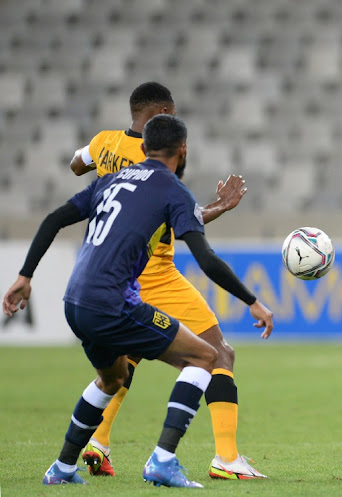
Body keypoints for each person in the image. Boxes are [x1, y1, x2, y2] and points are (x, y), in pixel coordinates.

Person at [3, 114, 274, 487]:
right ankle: (164, 459)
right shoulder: (173, 191)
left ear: (143, 148)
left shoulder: (108, 180)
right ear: (183, 151)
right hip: (113, 302)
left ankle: (63, 468)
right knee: (205, 356)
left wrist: (24, 276)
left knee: (113, 378)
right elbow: (206, 259)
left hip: (75, 300)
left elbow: (54, 218)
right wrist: (252, 301)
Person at [70, 82, 266, 480]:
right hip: (155, 274)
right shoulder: (156, 165)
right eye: (171, 114)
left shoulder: (106, 142)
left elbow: (76, 162)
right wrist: (220, 206)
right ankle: (226, 458)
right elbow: (175, 223)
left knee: (125, 364)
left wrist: (98, 164)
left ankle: (98, 441)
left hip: (111, 276)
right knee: (219, 354)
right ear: (160, 112)